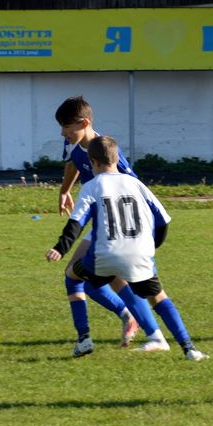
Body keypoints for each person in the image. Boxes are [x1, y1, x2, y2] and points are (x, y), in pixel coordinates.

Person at [46, 135, 207, 361]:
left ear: (92, 162)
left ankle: (84, 339)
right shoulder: (137, 184)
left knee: (72, 276)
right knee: (159, 298)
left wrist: (60, 248)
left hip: (104, 256)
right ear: (117, 158)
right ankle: (189, 348)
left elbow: (77, 223)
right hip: (140, 255)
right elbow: (163, 220)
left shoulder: (92, 186)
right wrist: (152, 247)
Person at [54, 96, 167, 354]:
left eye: (67, 128)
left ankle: (151, 332)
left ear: (84, 123)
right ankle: (131, 322)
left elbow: (135, 189)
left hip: (121, 222)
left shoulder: (105, 153)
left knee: (105, 277)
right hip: (102, 219)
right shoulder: (72, 142)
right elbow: (72, 162)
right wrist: (64, 191)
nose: (63, 133)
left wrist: (143, 229)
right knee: (81, 275)